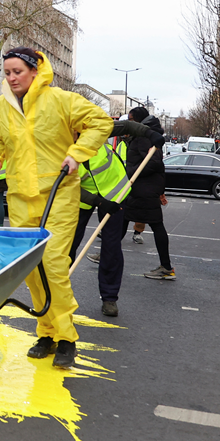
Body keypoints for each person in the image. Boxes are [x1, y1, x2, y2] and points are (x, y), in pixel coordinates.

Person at [0, 47, 112, 368]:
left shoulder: (60, 100)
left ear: (34, 70)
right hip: (20, 196)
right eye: (7, 73)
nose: (11, 78)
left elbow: (100, 122)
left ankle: (67, 337)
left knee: (53, 264)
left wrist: (78, 152)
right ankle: (46, 333)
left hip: (58, 195)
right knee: (31, 269)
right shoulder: (2, 105)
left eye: (17, 72)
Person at [68, 119, 164, 317]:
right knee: (67, 246)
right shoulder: (55, 150)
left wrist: (149, 133)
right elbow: (69, 188)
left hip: (116, 193)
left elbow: (127, 126)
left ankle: (109, 298)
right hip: (81, 200)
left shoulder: (95, 131)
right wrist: (99, 203)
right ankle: (57, 292)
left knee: (111, 248)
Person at [122, 107, 175, 281]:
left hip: (144, 189)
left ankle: (166, 267)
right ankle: (108, 252)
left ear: (138, 121)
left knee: (155, 225)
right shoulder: (143, 136)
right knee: (122, 216)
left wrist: (133, 174)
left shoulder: (145, 137)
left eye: (130, 120)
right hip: (142, 189)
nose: (129, 123)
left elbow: (154, 163)